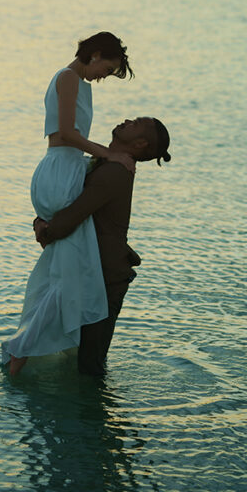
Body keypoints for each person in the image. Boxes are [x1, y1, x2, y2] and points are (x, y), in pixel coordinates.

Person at [2, 32, 134, 376]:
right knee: (71, 275)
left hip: (65, 168)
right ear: (94, 54)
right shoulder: (68, 78)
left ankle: (35, 347)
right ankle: (23, 348)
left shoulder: (79, 83)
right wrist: (112, 155)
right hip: (60, 169)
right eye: (107, 68)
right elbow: (66, 133)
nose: (105, 76)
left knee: (61, 272)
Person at [35, 116, 171, 376]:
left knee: (90, 364)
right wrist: (43, 222)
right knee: (84, 360)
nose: (127, 120)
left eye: (135, 123)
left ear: (140, 143)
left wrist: (44, 228)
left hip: (105, 279)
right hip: (93, 271)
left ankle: (98, 413)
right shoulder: (107, 165)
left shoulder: (115, 172)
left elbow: (72, 216)